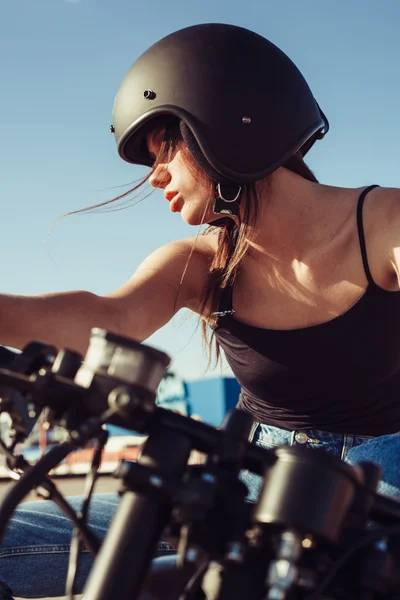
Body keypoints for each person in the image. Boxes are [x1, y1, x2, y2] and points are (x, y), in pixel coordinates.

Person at [0, 22, 400, 598]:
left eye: (164, 149)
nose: (154, 174)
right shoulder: (201, 262)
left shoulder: (382, 223)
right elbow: (108, 320)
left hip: (385, 480)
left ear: (231, 125)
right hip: (248, 478)